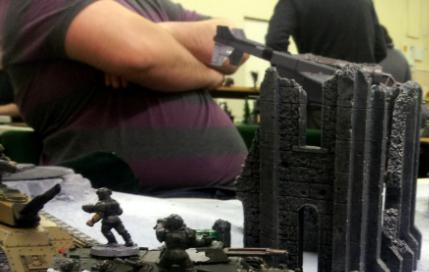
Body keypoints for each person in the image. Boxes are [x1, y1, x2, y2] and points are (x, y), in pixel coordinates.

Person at [0, 0, 248, 193]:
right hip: (133, 202)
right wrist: (211, 77)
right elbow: (141, 56)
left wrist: (154, 33)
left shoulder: (148, 4)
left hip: (231, 195)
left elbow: (239, 47)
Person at [266, 0, 386, 64]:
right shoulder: (366, 2)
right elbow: (380, 51)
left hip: (319, 91)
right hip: (363, 94)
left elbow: (275, 43)